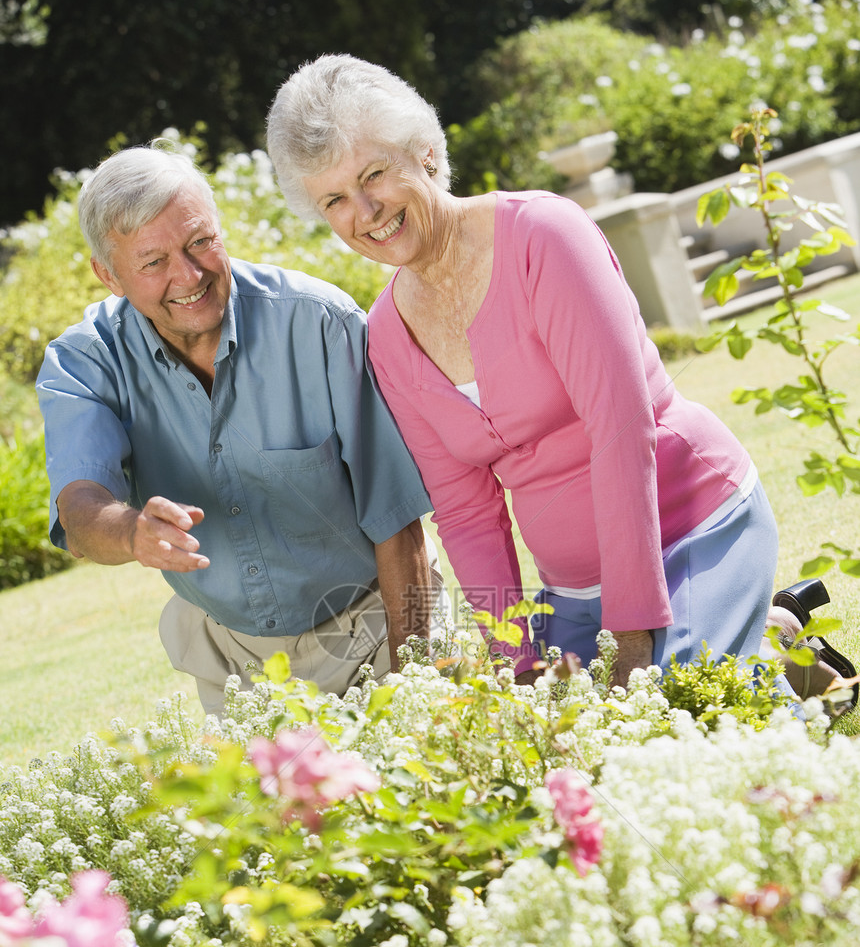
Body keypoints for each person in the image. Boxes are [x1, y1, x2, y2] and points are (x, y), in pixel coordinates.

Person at [266, 54, 857, 706]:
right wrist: (514, 659)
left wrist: (630, 642)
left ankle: (760, 639)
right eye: (335, 200)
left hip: (695, 529)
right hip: (574, 588)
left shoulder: (543, 237)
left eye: (374, 174)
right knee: (556, 743)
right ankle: (776, 643)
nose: (365, 211)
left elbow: (621, 433)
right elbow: (465, 511)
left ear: (426, 152)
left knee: (678, 712)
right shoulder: (386, 335)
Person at [37, 143, 448, 716]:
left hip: (374, 628)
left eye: (200, 241)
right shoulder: (85, 362)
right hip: (233, 662)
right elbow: (81, 509)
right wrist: (132, 531)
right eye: (153, 262)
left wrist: (415, 681)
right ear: (108, 275)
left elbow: (396, 522)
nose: (188, 276)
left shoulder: (319, 324)